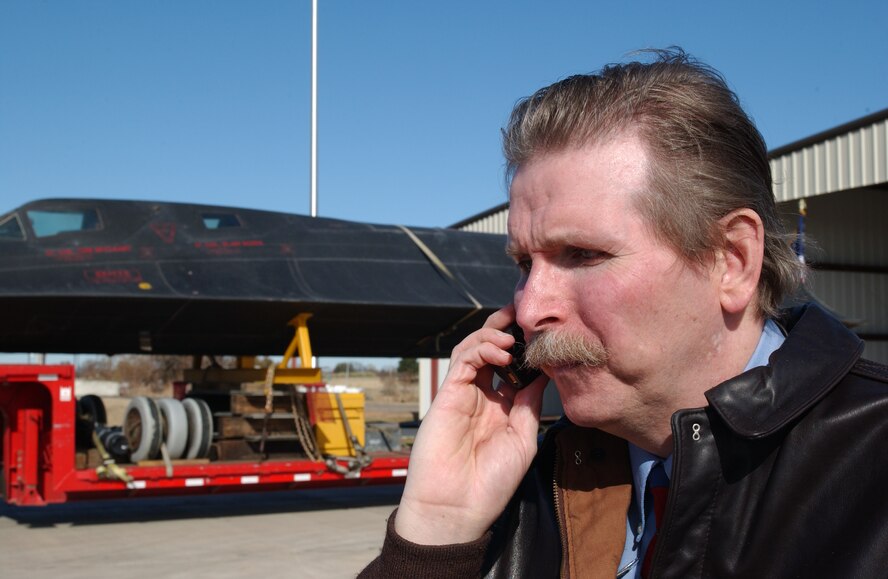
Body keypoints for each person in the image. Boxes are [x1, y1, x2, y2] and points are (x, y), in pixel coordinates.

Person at [360, 49, 888, 578]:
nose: (529, 307)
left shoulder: (868, 467)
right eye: (525, 262)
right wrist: (437, 529)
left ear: (732, 261)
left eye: (585, 255)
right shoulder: (527, 482)